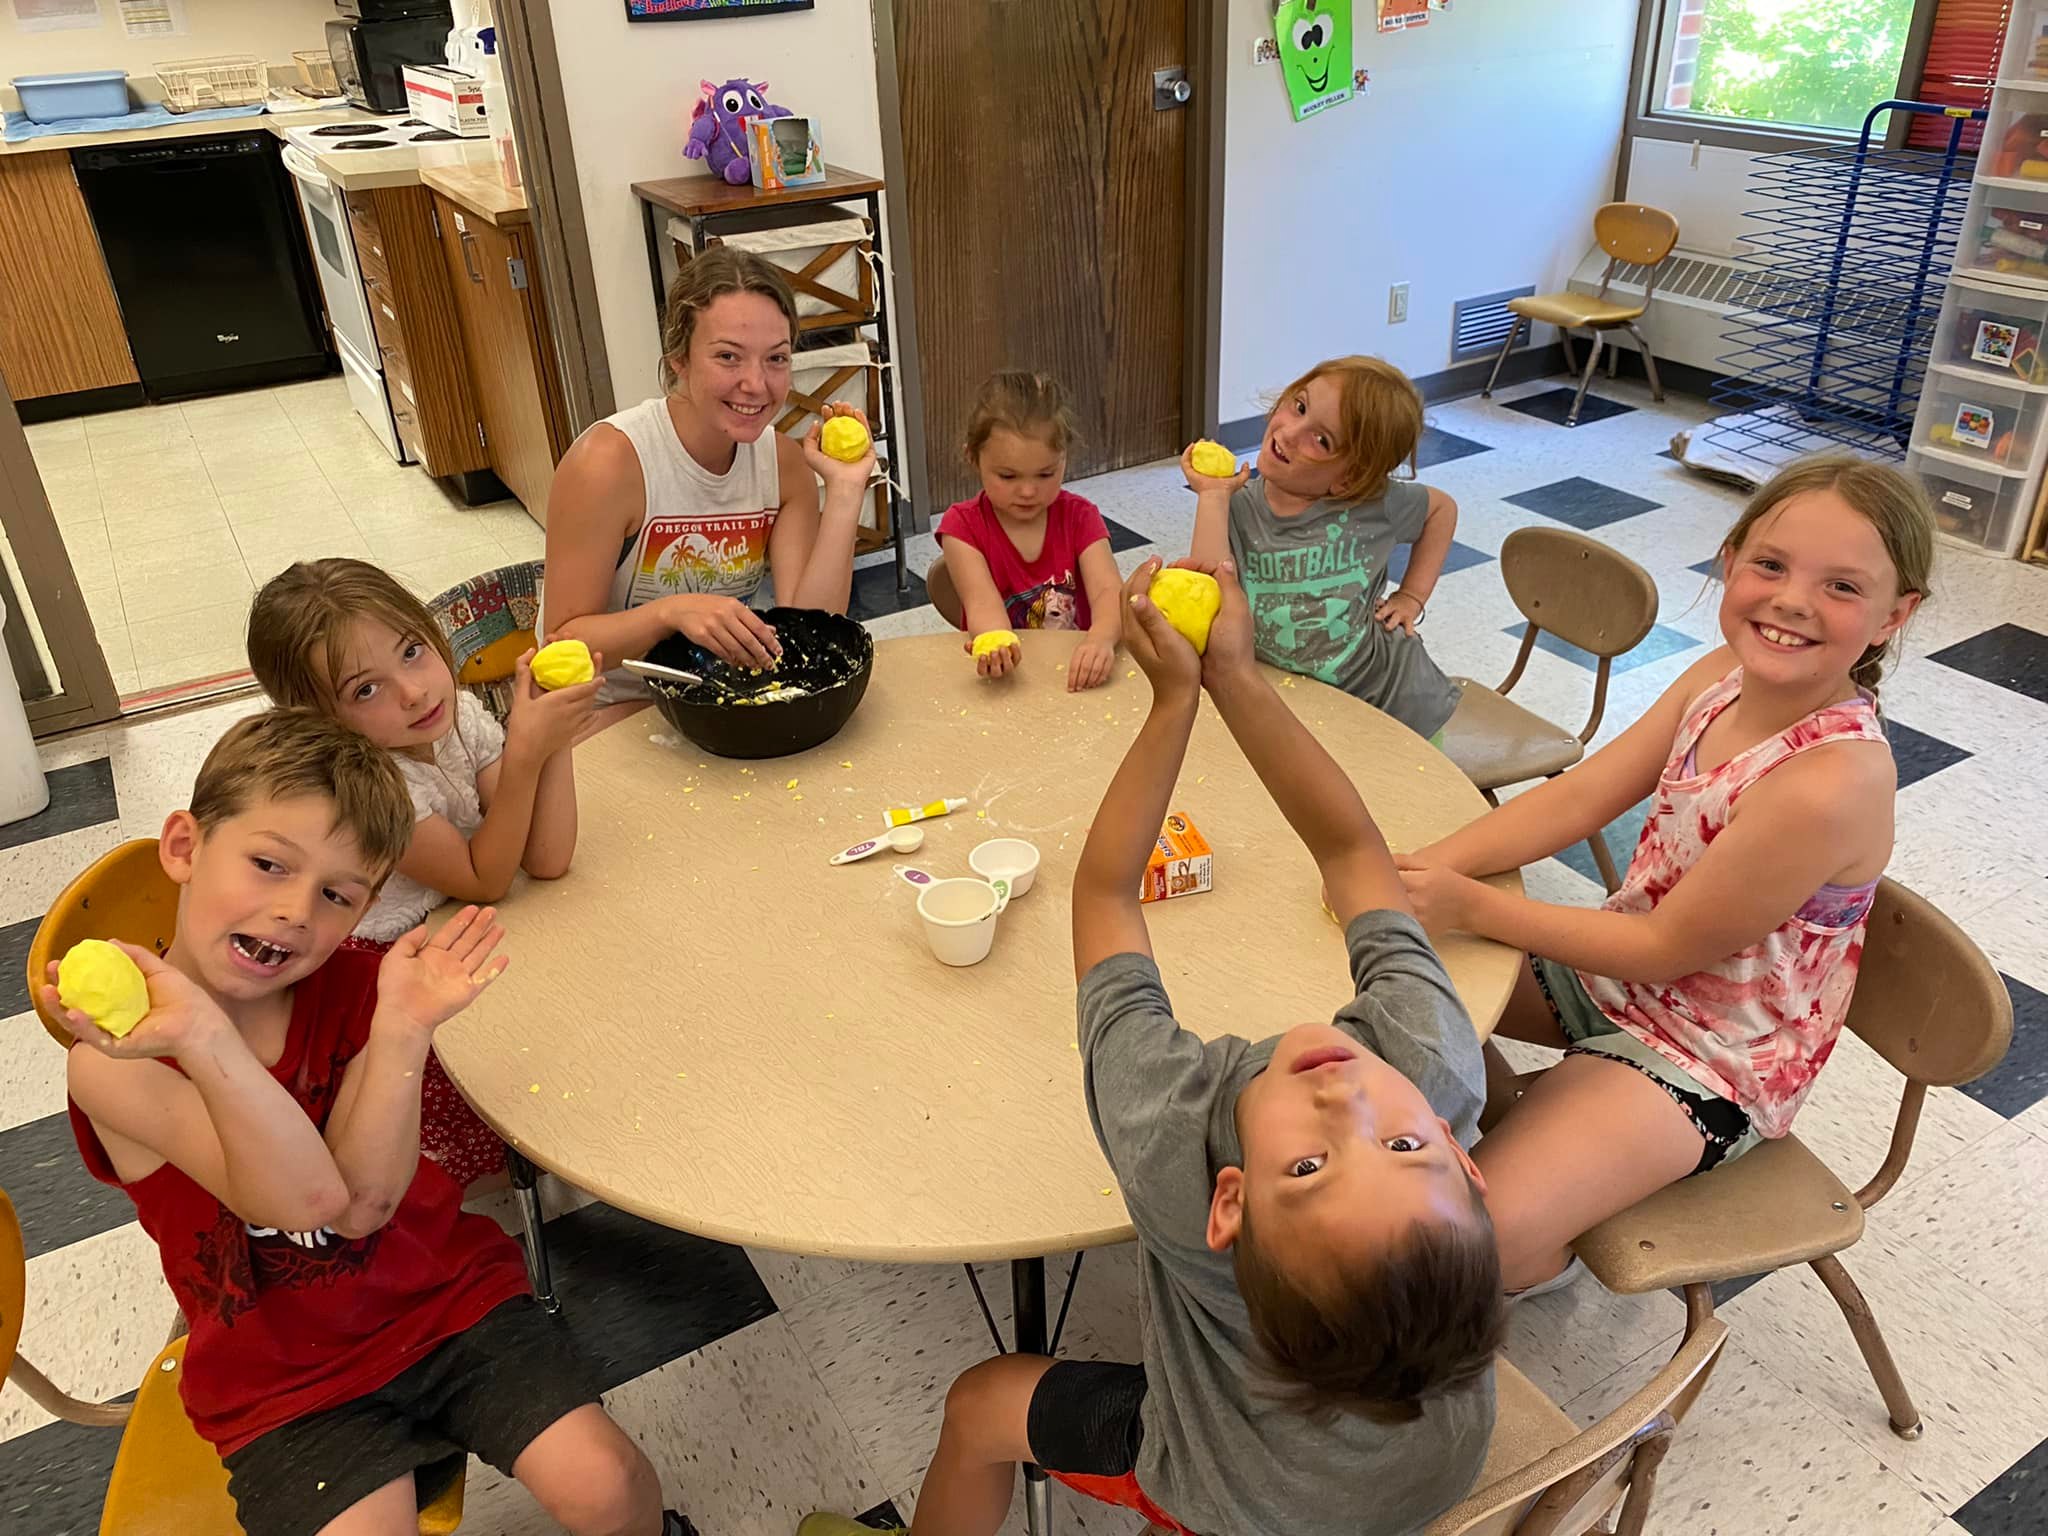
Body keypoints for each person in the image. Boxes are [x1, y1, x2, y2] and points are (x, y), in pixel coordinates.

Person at [800, 557, 1504, 1536]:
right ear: (1462, 1162)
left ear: (1228, 1203)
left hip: (1225, 1492)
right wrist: (1240, 679)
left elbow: (1099, 897)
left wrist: (1174, 700)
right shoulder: (1427, 1065)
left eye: (1306, 1166)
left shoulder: (1171, 1142)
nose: (1348, 1105)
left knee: (977, 1403)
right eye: (1399, 1147)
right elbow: (1353, 856)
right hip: (1424, 1472)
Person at [51, 709, 695, 1536]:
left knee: (607, 1482)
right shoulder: (115, 1061)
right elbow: (300, 1201)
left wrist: (402, 1026)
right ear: (184, 847)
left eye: (334, 895)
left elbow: (362, 1203)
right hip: (279, 1374)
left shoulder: (357, 986)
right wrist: (204, 1036)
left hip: (441, 1295)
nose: (292, 911)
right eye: (266, 864)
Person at [1396, 455, 1934, 1295]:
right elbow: (1579, 796)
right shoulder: (1717, 674)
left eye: (1841, 587)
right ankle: (1522, 1119)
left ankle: (1548, 1247)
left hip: (1707, 1057)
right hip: (1615, 978)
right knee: (1379, 976)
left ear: (1895, 615)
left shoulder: (1835, 782)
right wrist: (1433, 867)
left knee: (1460, 1250)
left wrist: (1465, 903)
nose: (1792, 600)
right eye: (1771, 565)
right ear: (1729, 559)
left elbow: (1660, 948)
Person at [247, 556, 600, 1186]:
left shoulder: (457, 714)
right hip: (380, 966)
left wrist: (556, 733)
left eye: (412, 651)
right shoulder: (364, 784)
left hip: (455, 922)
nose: (412, 692)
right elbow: (484, 875)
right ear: (323, 723)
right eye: (365, 689)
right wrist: (527, 748)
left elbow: (544, 858)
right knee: (500, 1082)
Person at [542, 245, 876, 704]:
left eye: (776, 358)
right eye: (728, 357)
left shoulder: (782, 463)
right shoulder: (608, 463)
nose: (756, 384)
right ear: (679, 356)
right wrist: (672, 612)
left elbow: (808, 629)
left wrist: (844, 489)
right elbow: (561, 644)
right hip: (605, 709)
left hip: (712, 700)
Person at [1187, 355, 1463, 740]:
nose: (1288, 432)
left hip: (1393, 703)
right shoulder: (1239, 502)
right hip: (1295, 704)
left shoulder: (1373, 505)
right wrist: (1213, 496)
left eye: (1321, 439)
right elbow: (1208, 587)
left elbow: (1441, 510)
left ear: (1348, 479)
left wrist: (1412, 596)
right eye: (1298, 406)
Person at [928, 370, 1123, 690]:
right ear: (973, 458)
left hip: (1077, 671)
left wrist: (1101, 640)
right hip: (1012, 680)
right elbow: (982, 604)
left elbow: (1109, 592)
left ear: (1064, 458)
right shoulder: (962, 528)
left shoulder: (1080, 516)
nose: (1029, 491)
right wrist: (996, 644)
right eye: (1008, 476)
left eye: (1045, 474)